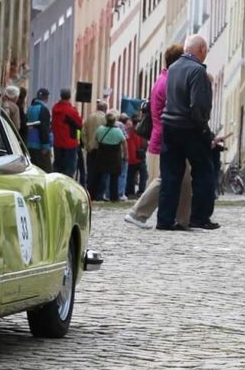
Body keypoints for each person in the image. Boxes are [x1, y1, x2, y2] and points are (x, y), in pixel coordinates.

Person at [128, 44, 193, 228]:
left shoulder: (164, 79)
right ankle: (138, 213)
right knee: (166, 179)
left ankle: (183, 220)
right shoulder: (169, 83)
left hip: (163, 138)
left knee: (182, 179)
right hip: (165, 139)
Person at [159, 34, 218, 231]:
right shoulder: (198, 71)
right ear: (201, 50)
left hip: (169, 125)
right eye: (206, 50)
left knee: (170, 175)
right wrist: (203, 127)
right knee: (203, 173)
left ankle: (164, 219)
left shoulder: (173, 68)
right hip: (190, 127)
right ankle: (199, 217)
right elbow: (199, 105)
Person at [88, 112, 126, 201]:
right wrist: (125, 154)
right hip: (115, 155)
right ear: (114, 121)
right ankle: (114, 197)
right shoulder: (118, 131)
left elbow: (96, 139)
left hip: (102, 154)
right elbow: (124, 142)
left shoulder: (100, 129)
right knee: (114, 178)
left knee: (97, 176)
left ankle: (92, 195)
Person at [51, 88, 83, 177]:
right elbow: (79, 124)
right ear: (69, 96)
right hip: (69, 143)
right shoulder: (70, 110)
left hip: (57, 142)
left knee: (57, 167)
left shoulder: (55, 108)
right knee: (69, 169)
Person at [25, 88, 54, 171]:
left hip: (30, 143)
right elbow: (44, 128)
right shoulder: (43, 109)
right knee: (45, 170)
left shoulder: (30, 108)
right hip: (39, 144)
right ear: (47, 97)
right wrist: (45, 145)